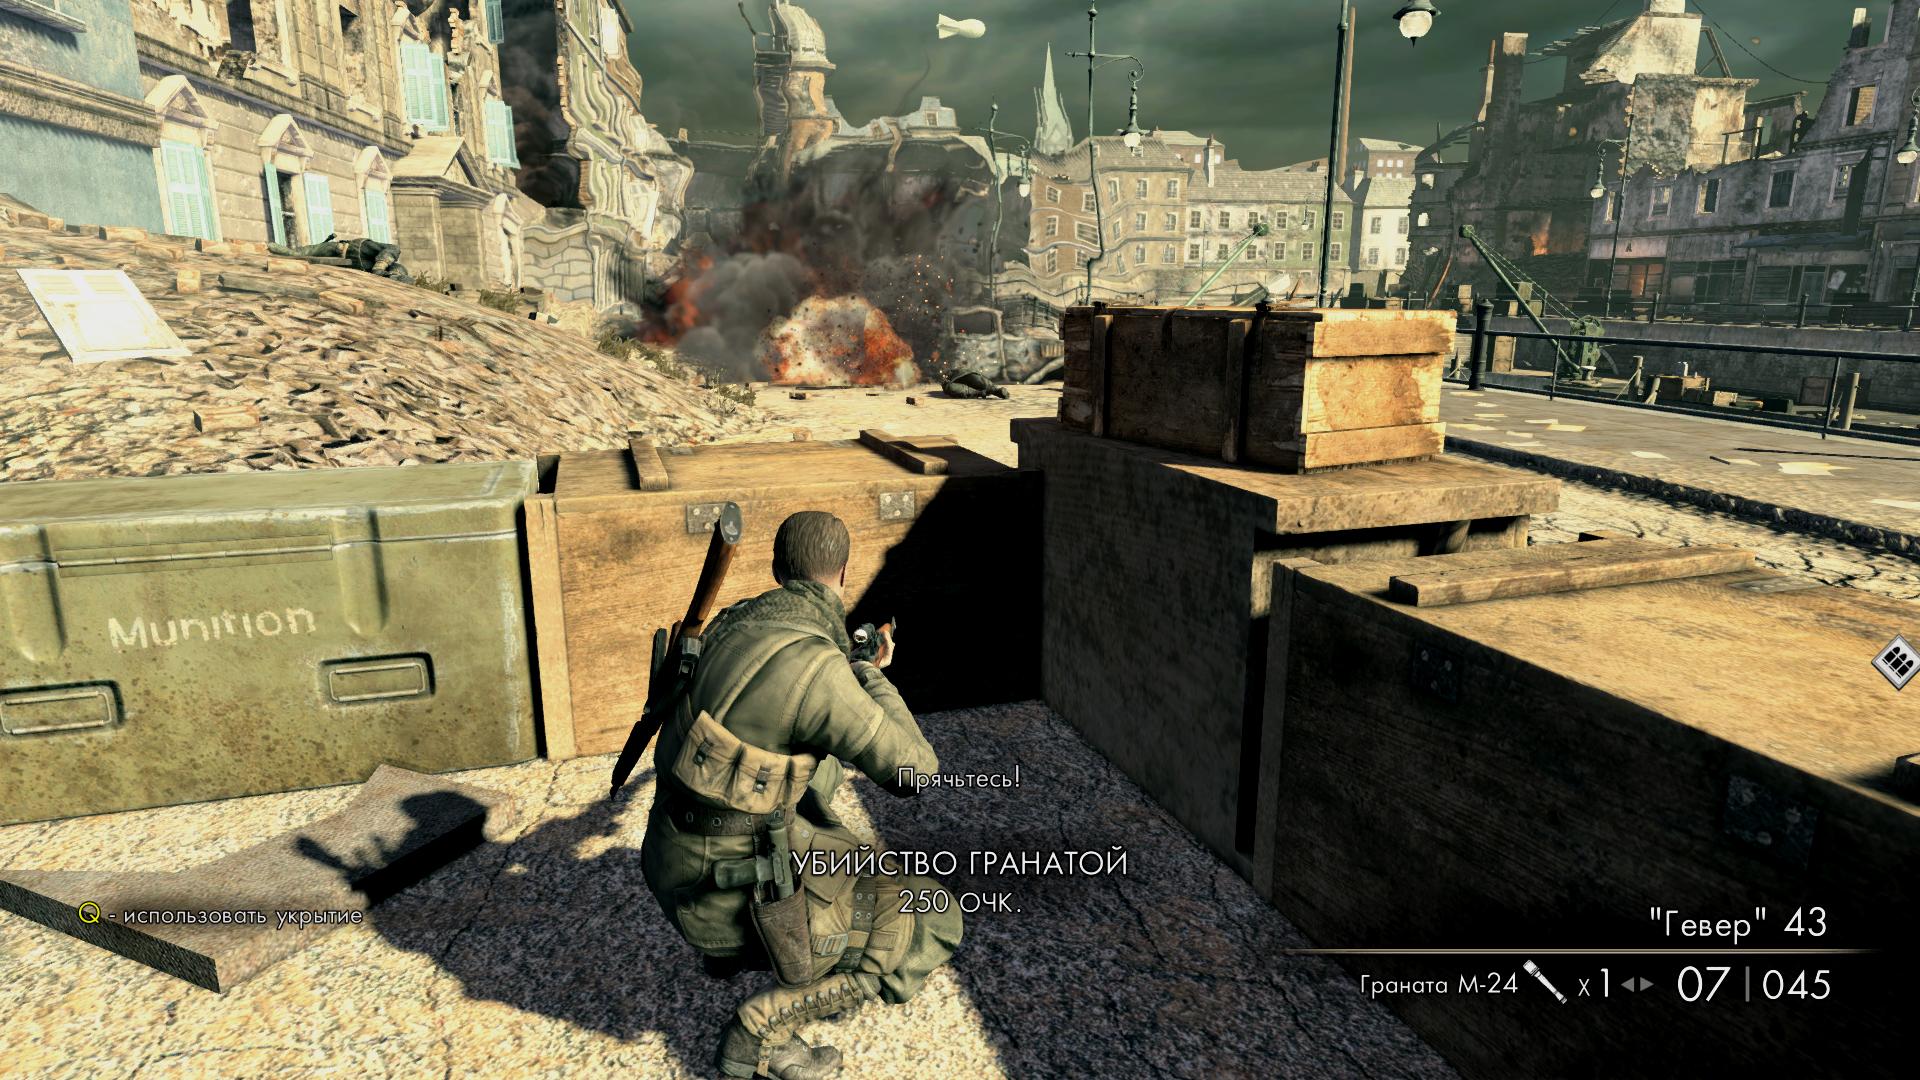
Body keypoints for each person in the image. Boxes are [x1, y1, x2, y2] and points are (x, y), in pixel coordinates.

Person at [640, 511, 963, 1079]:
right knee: (932, 915)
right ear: (845, 572)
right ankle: (762, 1032)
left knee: (820, 770)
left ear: (776, 569)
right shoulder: (819, 668)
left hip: (670, 856)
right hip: (728, 889)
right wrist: (869, 673)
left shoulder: (733, 623)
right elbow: (916, 775)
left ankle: (726, 956)